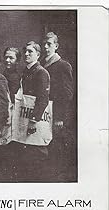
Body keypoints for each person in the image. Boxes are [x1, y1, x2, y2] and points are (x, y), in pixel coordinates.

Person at [42, 32, 74, 166]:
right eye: (44, 44)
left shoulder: (63, 65)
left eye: (49, 44)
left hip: (56, 114)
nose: (45, 47)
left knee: (56, 147)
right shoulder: (43, 64)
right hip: (44, 112)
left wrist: (60, 117)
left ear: (56, 46)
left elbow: (67, 93)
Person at [19, 41, 50, 165]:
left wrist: (34, 119)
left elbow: (43, 99)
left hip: (35, 117)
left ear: (38, 54)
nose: (26, 54)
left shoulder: (41, 72)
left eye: (30, 51)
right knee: (27, 146)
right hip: (25, 113)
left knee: (37, 147)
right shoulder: (27, 71)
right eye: (25, 51)